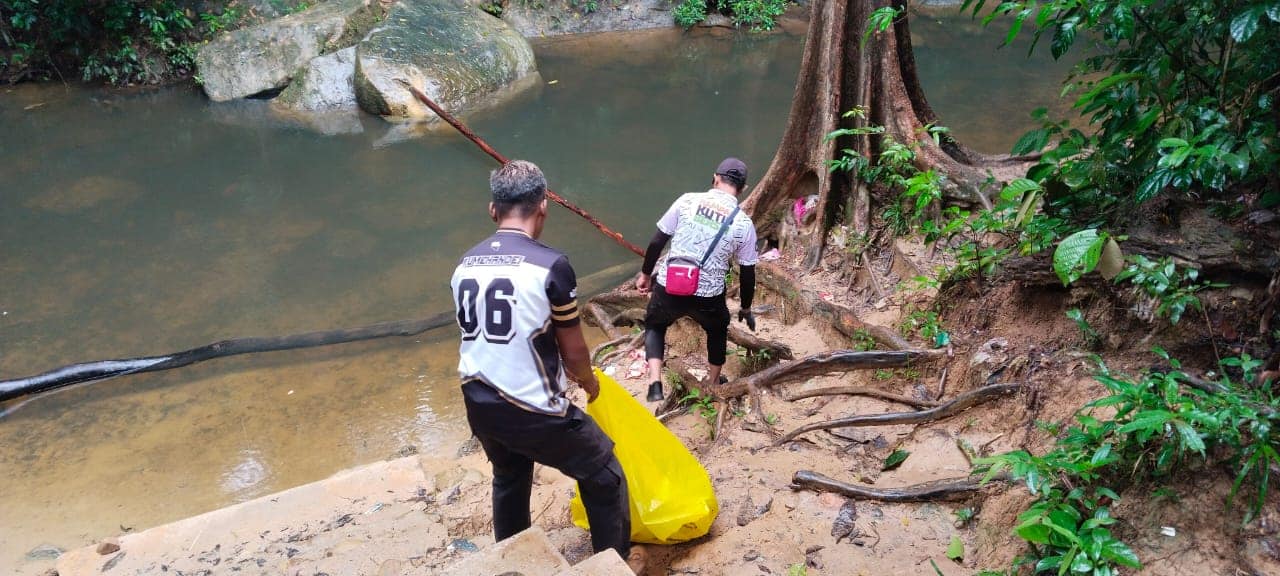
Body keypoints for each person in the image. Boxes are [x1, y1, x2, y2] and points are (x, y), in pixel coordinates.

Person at [450, 160, 641, 570]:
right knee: (604, 473)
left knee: (509, 475)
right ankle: (611, 564)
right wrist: (589, 384)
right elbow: (573, 351)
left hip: (478, 400)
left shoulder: (465, 264)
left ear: (492, 209)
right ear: (544, 206)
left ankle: (514, 559)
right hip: (530, 408)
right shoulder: (550, 266)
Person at [636, 157, 760, 402]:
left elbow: (656, 241)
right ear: (743, 188)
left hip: (670, 286)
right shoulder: (744, 224)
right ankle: (713, 381)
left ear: (715, 177)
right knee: (717, 329)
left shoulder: (687, 201)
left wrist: (646, 274)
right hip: (709, 296)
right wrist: (745, 307)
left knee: (655, 324)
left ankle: (654, 382)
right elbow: (748, 273)